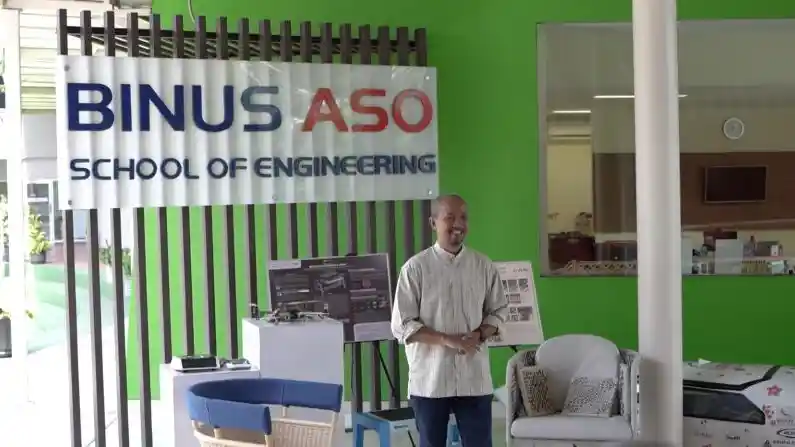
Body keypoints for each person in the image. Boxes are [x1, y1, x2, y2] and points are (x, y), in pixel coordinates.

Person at [390, 194, 508, 447]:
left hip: (474, 379)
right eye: (450, 217)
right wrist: (447, 340)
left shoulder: (483, 265)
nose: (458, 224)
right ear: (433, 223)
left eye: (463, 217)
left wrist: (480, 334)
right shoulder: (415, 269)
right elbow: (403, 325)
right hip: (430, 381)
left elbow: (499, 311)